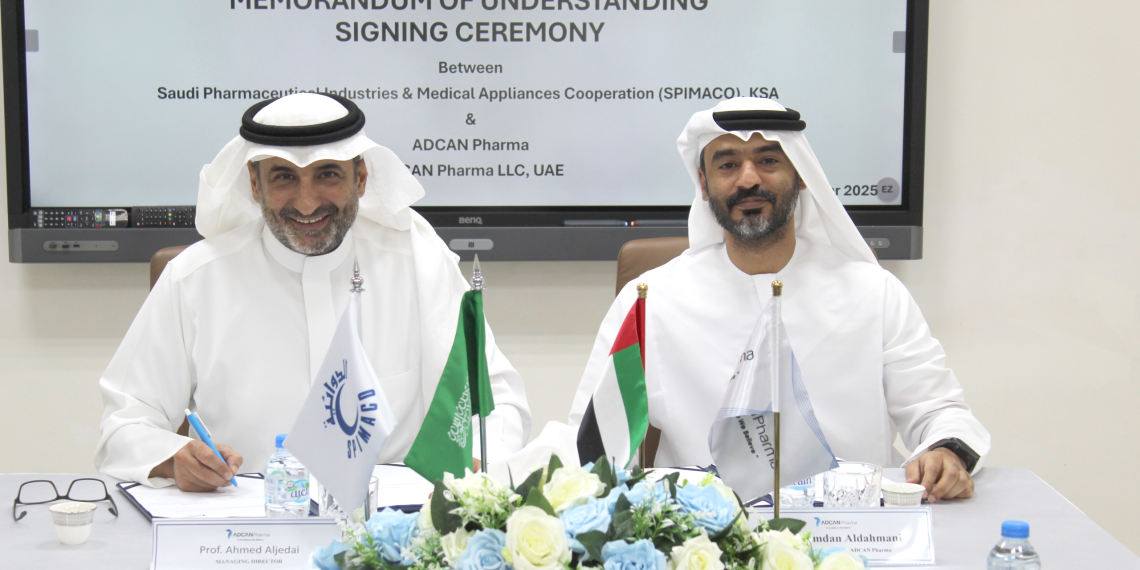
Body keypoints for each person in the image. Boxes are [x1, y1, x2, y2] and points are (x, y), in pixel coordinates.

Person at [95, 93, 531, 491]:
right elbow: (124, 423)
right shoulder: (195, 279)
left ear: (361, 177)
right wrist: (174, 458)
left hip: (392, 524)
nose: (306, 202)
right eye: (284, 177)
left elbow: (498, 399)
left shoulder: (419, 263)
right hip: (247, 524)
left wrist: (476, 463)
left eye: (327, 175)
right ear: (255, 184)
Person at [569, 98, 990, 502]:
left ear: (801, 174)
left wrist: (945, 452)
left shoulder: (873, 292)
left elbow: (937, 409)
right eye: (727, 164)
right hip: (705, 532)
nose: (748, 179)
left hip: (853, 529)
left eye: (768, 160)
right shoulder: (650, 301)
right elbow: (593, 435)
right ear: (704, 184)